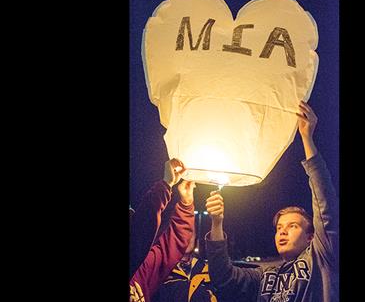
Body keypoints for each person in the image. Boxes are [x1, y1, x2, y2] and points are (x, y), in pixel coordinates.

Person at [204, 101, 339, 302]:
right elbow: (223, 277)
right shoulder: (263, 274)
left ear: (311, 237)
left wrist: (306, 138)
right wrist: (216, 223)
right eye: (279, 228)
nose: (282, 232)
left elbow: (324, 204)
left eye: (292, 226)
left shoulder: (321, 257)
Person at [130, 158, 196, 302]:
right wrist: (165, 185)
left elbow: (168, 248)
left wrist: (186, 204)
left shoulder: (140, 272)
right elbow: (139, 233)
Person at [153, 229, 219, 302]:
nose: (186, 237)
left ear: (195, 238)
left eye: (190, 232)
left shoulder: (208, 271)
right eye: (181, 233)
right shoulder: (160, 270)